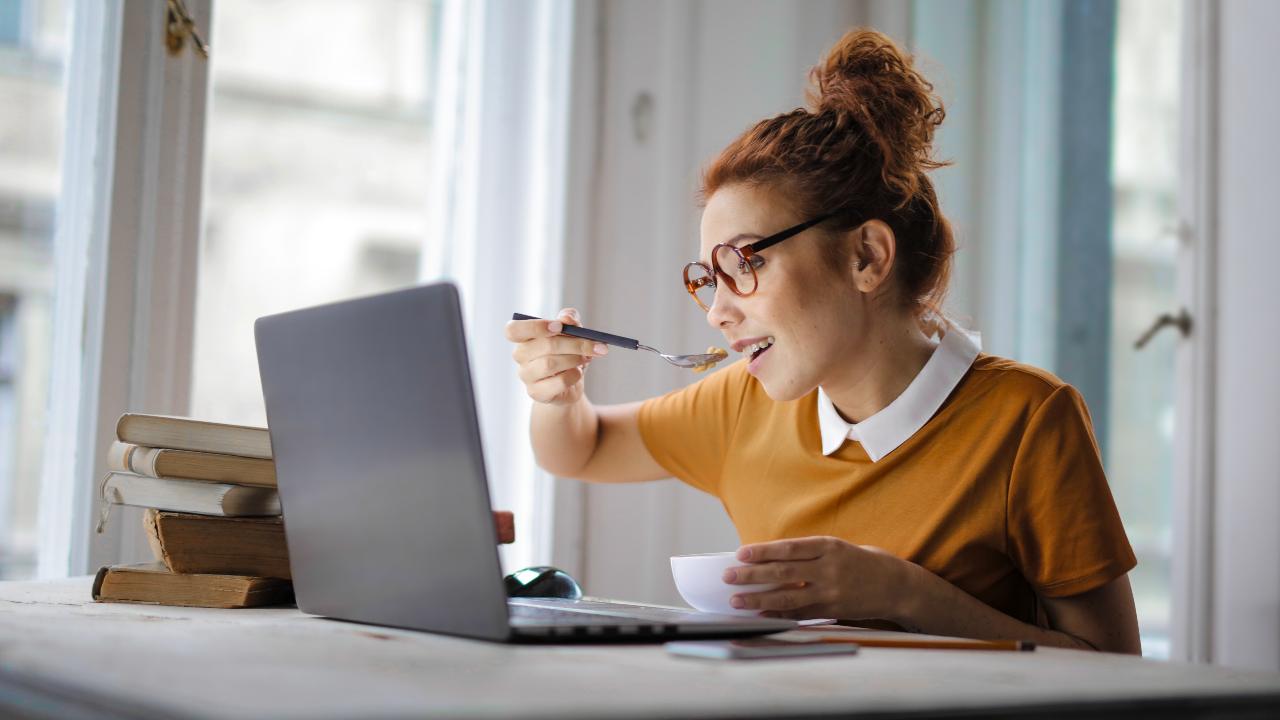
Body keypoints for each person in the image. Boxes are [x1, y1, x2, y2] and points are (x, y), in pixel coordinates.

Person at [505, 28, 1140, 654]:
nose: (717, 312)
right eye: (708, 278)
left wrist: (903, 594)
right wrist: (557, 398)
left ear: (866, 255)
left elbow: (1114, 670)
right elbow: (579, 451)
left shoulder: (1028, 421)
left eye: (743, 264)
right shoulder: (743, 406)